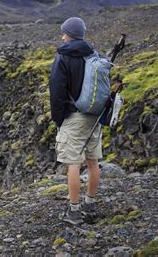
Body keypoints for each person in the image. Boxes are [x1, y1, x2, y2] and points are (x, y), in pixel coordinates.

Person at [49, 17, 102, 225]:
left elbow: (57, 90)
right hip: (94, 116)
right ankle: (90, 205)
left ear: (70, 35)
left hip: (74, 116)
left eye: (64, 33)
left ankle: (73, 211)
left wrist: (58, 118)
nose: (62, 37)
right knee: (93, 162)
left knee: (73, 163)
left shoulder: (63, 57)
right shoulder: (94, 54)